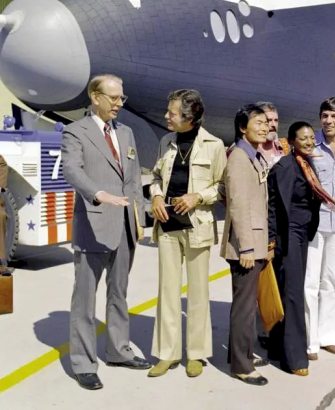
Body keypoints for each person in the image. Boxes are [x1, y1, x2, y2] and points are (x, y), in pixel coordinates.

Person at [62, 74, 150, 391]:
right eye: (113, 98)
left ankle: (118, 350)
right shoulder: (76, 132)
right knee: (85, 302)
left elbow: (134, 178)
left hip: (125, 227)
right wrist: (97, 194)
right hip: (93, 226)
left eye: (121, 98)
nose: (118, 104)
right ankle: (84, 364)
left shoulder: (125, 133)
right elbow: (72, 169)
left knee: (119, 295)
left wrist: (138, 218)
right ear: (95, 96)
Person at [148, 90, 226, 378]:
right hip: (167, 225)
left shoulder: (214, 145)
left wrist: (197, 197)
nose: (166, 116)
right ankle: (166, 354)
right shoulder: (165, 142)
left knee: (197, 293)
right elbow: (156, 177)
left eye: (172, 113)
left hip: (197, 227)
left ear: (189, 118)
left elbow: (221, 186)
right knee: (167, 292)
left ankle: (196, 354)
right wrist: (156, 197)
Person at [267, 122, 332, 376]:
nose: (308, 142)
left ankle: (278, 347)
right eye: (302, 138)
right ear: (291, 141)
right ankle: (294, 357)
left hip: (302, 233)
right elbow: (274, 207)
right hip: (290, 234)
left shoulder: (305, 163)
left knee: (290, 289)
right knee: (293, 293)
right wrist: (273, 241)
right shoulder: (286, 166)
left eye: (310, 138)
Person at [221, 104, 273, 386]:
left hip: (252, 241)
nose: (265, 127)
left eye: (266, 123)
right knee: (244, 306)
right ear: (243, 128)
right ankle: (242, 365)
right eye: (258, 123)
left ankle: (241, 354)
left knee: (245, 303)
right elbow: (239, 205)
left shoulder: (253, 155)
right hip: (246, 245)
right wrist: (246, 248)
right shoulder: (240, 157)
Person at [305, 97, 335, 359]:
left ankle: (330, 336)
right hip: (315, 222)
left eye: (334, 116)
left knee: (333, 281)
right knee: (310, 281)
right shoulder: (310, 143)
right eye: (325, 115)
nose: (329, 121)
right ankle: (311, 340)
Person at [255, 101, 289, 167]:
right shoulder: (248, 149)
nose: (274, 125)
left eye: (276, 120)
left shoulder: (284, 146)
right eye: (269, 120)